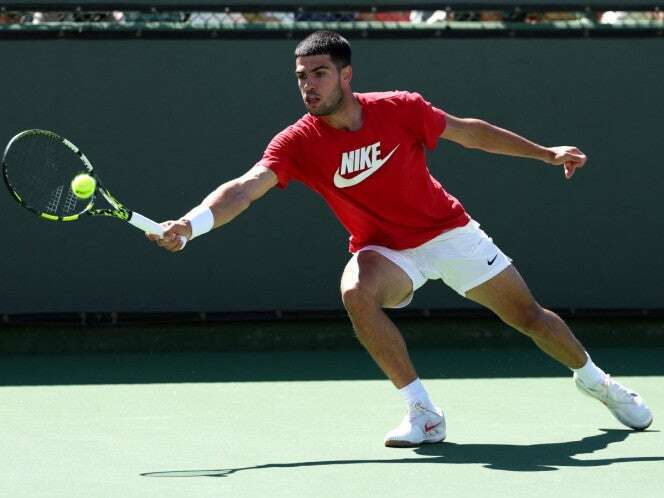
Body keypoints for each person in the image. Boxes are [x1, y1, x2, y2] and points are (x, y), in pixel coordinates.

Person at [148, 31, 652, 447]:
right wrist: (191, 224)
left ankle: (596, 381)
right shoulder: (297, 142)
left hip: (448, 232)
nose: (308, 86)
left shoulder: (401, 108)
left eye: (319, 73)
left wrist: (546, 153)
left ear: (346, 75)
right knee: (356, 292)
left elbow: (470, 133)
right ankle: (423, 412)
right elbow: (244, 188)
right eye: (301, 77)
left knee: (530, 319)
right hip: (385, 250)